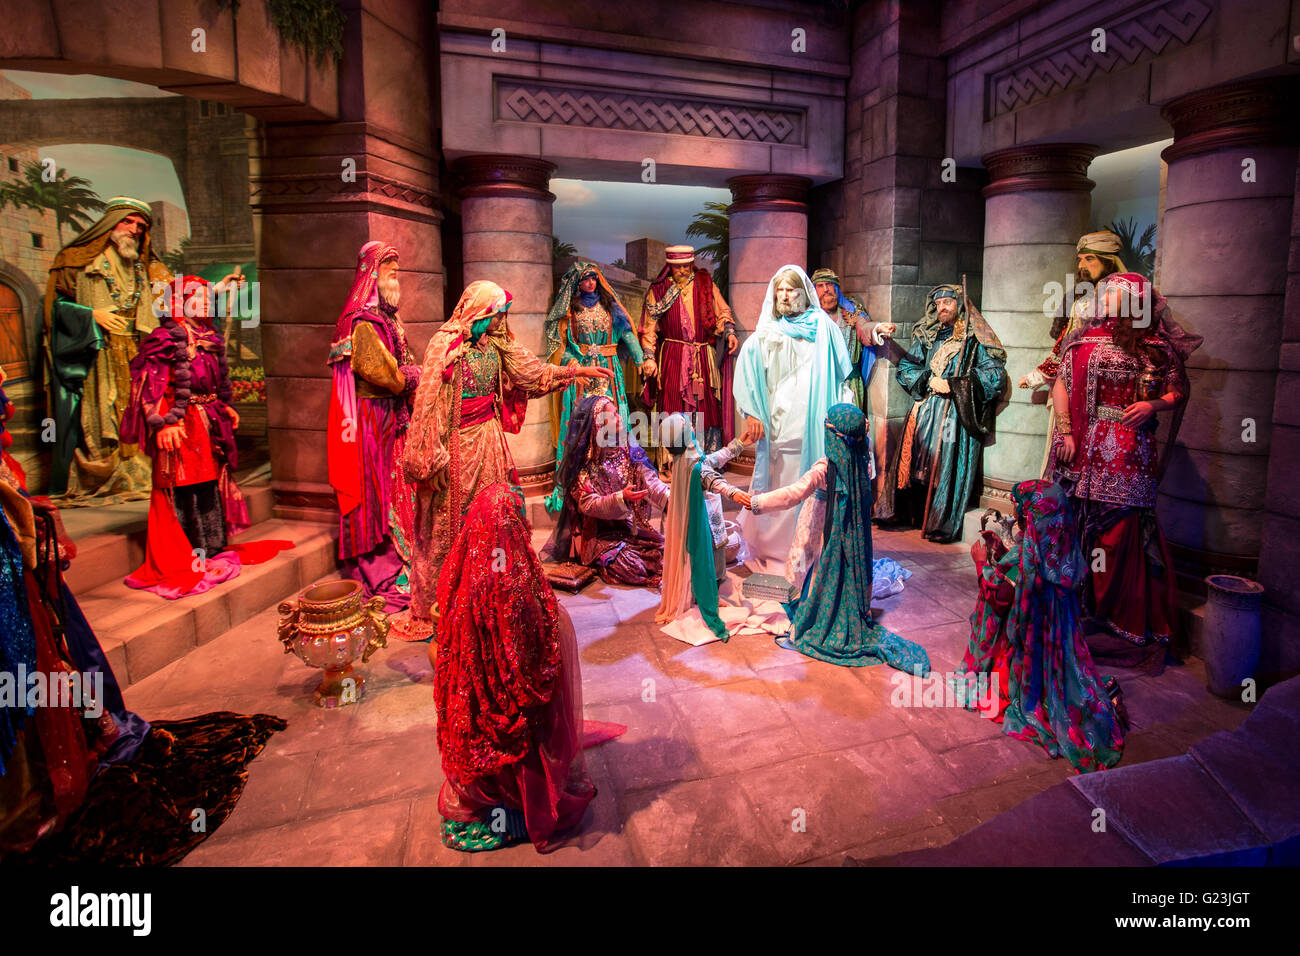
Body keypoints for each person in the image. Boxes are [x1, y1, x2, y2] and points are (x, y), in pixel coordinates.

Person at [401, 281, 611, 636]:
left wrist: (577, 371)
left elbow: (531, 373)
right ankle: (447, 602)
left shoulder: (498, 344)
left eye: (502, 314)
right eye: (496, 313)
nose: (501, 320)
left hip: (489, 441)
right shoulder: (444, 345)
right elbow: (427, 404)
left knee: (495, 519)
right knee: (451, 524)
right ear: (479, 312)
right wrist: (430, 460)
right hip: (453, 448)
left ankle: (489, 593)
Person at [1049, 272, 1201, 667]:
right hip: (1083, 445)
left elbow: (1176, 389)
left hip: (1130, 450)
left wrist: (1154, 406)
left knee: (1120, 530)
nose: (1106, 297)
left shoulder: (1155, 347)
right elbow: (1062, 385)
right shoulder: (1085, 338)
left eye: (1114, 292)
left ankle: (1120, 616)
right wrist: (1065, 433)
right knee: (1080, 523)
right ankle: (1082, 607)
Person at [435, 483, 595, 853]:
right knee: (557, 634)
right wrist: (555, 622)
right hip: (505, 744)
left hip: (468, 728)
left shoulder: (462, 574)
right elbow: (531, 665)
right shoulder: (515, 581)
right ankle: (522, 799)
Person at [120, 274, 289, 598]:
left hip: (206, 424)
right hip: (179, 425)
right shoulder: (164, 338)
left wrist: (225, 407)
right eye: (196, 297)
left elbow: (213, 381)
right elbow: (148, 383)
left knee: (208, 485)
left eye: (207, 297)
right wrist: (162, 422)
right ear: (178, 302)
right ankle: (189, 554)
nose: (205, 302)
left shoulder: (207, 336)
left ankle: (212, 549)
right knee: (183, 489)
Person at [960, 479, 1126, 772]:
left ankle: (1023, 693)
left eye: (1023, 511)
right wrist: (1002, 552)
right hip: (1059, 653)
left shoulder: (1027, 566)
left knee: (990, 616)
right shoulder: (1066, 556)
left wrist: (982, 563)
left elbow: (1000, 600)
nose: (1020, 515)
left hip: (1029, 661)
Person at [774, 404, 930, 672]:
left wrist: (752, 502)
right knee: (825, 570)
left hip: (820, 528)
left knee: (809, 568)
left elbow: (794, 494)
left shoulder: (825, 467)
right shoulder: (859, 460)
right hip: (849, 533)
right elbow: (861, 436)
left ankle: (813, 614)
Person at [42, 198, 175, 500]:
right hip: (95, 349)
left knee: (137, 407)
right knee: (104, 408)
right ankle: (105, 471)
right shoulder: (75, 259)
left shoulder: (145, 266)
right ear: (109, 223)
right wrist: (90, 315)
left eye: (140, 226)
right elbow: (55, 308)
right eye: (127, 222)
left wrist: (221, 289)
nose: (134, 230)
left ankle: (138, 471)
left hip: (136, 348)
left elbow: (179, 293)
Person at [733, 265, 852, 573]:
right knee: (782, 482)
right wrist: (752, 412)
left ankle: (810, 549)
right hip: (780, 422)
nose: (785, 296)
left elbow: (841, 380)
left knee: (810, 484)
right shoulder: (769, 330)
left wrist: (844, 414)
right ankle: (777, 551)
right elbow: (747, 368)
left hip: (814, 421)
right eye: (780, 290)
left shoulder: (824, 328)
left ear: (804, 293)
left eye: (791, 290)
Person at [326, 242, 421, 619]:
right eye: (392, 272)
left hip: (389, 416)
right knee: (371, 487)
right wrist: (413, 378)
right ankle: (377, 560)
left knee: (393, 484)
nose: (397, 279)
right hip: (368, 418)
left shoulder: (386, 317)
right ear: (374, 274)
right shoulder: (362, 322)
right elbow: (381, 372)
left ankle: (400, 551)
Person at [875, 283, 1009, 543]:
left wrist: (956, 385)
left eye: (947, 302)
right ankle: (912, 515)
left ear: (960, 305)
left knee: (943, 466)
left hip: (953, 413)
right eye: (937, 304)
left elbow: (994, 374)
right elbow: (907, 366)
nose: (941, 308)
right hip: (925, 408)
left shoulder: (974, 338)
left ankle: (938, 519)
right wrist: (927, 380)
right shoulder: (928, 335)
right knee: (915, 463)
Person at [749, 409, 911, 600]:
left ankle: (806, 598)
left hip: (817, 525)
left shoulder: (824, 468)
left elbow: (793, 494)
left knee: (805, 555)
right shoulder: (862, 463)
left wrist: (756, 502)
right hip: (849, 526)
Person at [543, 261, 654, 512]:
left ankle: (619, 473)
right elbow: (562, 344)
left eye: (594, 278)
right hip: (582, 373)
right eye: (585, 279)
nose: (590, 283)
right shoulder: (570, 312)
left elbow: (626, 333)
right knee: (584, 422)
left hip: (609, 370)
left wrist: (641, 359)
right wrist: (571, 364)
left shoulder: (610, 306)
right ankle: (582, 477)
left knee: (613, 420)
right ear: (577, 283)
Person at [1018, 230, 1127, 477]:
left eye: (1090, 259)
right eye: (1080, 259)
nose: (1082, 266)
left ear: (1109, 260)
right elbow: (1064, 348)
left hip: (1113, 389)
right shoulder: (1081, 298)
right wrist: (1038, 375)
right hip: (1075, 384)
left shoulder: (1127, 296)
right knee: (1070, 454)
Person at [543, 396, 667, 586]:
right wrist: (620, 498)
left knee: (667, 549)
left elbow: (650, 482)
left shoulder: (627, 448)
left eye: (618, 413)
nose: (620, 418)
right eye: (614, 415)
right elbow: (588, 504)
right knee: (633, 566)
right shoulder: (585, 462)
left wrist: (671, 499)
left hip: (628, 528)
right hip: (599, 537)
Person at [654, 413, 749, 644]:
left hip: (696, 517)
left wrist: (738, 445)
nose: (694, 431)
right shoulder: (694, 465)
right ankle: (708, 596)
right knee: (708, 557)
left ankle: (702, 591)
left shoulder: (683, 459)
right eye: (689, 429)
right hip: (703, 519)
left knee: (706, 555)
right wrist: (733, 492)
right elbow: (710, 477)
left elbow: (712, 461)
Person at [639, 245, 739, 454]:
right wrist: (649, 357)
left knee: (706, 406)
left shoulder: (704, 284)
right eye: (678, 267)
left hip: (703, 357)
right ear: (670, 267)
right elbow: (649, 328)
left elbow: (723, 312)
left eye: (686, 266)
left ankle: (707, 459)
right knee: (672, 403)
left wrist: (729, 332)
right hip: (673, 357)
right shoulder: (658, 291)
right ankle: (672, 460)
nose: (683, 271)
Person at [809, 267, 895, 413]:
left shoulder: (851, 311)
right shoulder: (809, 318)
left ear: (836, 287)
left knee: (851, 429)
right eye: (820, 286)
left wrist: (878, 327)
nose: (826, 289)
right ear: (814, 291)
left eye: (829, 284)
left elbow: (864, 326)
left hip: (851, 384)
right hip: (821, 384)